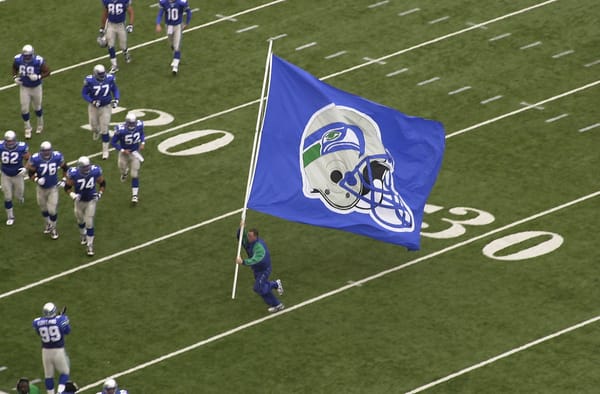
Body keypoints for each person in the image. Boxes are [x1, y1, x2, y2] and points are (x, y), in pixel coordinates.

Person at [236, 224, 284, 313]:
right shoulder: (249, 242)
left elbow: (256, 260)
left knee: (258, 288)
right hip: (257, 269)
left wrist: (243, 262)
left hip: (264, 269)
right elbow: (241, 237)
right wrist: (241, 228)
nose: (248, 237)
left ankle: (275, 287)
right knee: (262, 288)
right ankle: (277, 302)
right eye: (248, 235)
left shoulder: (259, 247)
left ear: (255, 237)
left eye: (250, 236)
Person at [64, 156, 106, 256]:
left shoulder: (95, 171)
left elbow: (103, 183)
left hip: (91, 201)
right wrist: (72, 194)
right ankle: (83, 234)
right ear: (79, 167)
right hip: (79, 201)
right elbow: (67, 187)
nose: (87, 169)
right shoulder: (74, 173)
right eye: (85, 167)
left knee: (89, 223)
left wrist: (99, 193)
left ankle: (90, 245)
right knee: (80, 220)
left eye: (88, 167)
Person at [27, 141, 68, 239]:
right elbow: (30, 173)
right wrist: (37, 179)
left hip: (53, 188)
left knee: (52, 210)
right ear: (41, 151)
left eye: (48, 151)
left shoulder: (57, 157)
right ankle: (48, 224)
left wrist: (64, 180)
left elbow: (66, 168)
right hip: (41, 188)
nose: (46, 153)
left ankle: (54, 229)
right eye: (45, 151)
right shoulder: (36, 159)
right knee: (43, 208)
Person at [81, 64, 120, 160]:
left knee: (105, 129)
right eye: (100, 74)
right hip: (93, 107)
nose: (102, 76)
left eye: (103, 74)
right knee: (93, 125)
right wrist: (92, 101)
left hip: (106, 107)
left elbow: (115, 89)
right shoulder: (90, 81)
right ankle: (96, 131)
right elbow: (84, 93)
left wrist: (116, 99)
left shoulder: (109, 78)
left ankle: (105, 151)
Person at [12, 44, 51, 139]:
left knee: (37, 107)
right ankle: (27, 128)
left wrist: (38, 76)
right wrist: (15, 77)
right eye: (26, 56)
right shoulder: (18, 59)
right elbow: (14, 67)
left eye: (29, 56)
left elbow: (48, 71)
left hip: (36, 87)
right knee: (24, 108)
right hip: (24, 87)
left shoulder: (38, 61)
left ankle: (40, 124)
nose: (27, 58)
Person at [32, 302, 71, 394]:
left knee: (48, 376)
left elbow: (39, 332)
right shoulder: (61, 320)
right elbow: (67, 331)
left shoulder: (36, 322)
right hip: (58, 350)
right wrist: (62, 318)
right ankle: (60, 392)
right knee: (65, 372)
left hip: (45, 351)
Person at [110, 112, 145, 204]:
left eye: (133, 123)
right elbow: (113, 142)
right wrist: (122, 150)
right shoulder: (120, 130)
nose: (132, 125)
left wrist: (142, 142)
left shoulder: (139, 126)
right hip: (124, 153)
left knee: (134, 174)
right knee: (121, 167)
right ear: (126, 122)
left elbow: (142, 134)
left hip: (135, 153)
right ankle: (124, 173)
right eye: (130, 123)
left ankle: (134, 196)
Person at [0, 130, 30, 226]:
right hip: (5, 174)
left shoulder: (21, 147)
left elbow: (29, 159)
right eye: (8, 141)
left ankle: (20, 197)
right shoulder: (1, 147)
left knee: (18, 194)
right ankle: (10, 216)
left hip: (18, 175)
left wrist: (25, 169)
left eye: (11, 141)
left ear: (15, 140)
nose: (10, 143)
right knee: (7, 197)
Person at [155, 0, 192, 75]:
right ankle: (175, 57)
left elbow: (188, 11)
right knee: (171, 44)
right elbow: (160, 14)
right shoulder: (164, 2)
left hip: (178, 26)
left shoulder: (181, 2)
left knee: (176, 46)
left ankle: (175, 66)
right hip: (168, 26)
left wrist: (187, 23)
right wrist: (158, 24)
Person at [99, 0, 135, 74]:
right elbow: (105, 14)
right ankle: (114, 65)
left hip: (121, 25)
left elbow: (131, 12)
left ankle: (125, 52)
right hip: (111, 25)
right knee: (110, 44)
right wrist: (102, 28)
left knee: (122, 45)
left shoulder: (124, 1)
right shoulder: (107, 1)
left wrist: (131, 24)